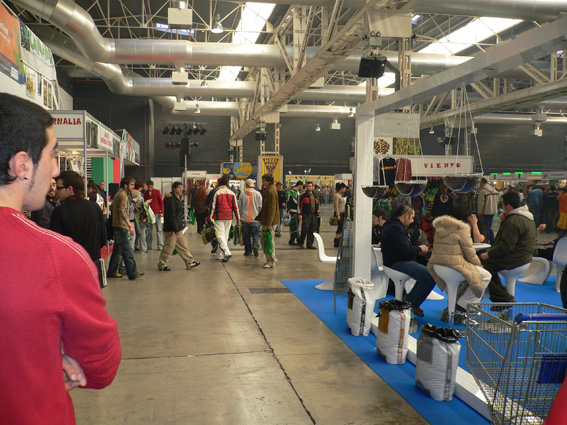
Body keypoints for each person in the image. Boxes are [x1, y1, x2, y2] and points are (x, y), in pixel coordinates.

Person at [0, 92, 121, 423]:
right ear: (22, 165)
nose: (56, 170)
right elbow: (100, 367)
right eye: (52, 155)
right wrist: (53, 358)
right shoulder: (55, 256)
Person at [427, 214, 492, 324]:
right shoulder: (462, 229)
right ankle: (462, 306)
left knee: (455, 283)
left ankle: (452, 309)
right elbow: (470, 253)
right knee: (485, 275)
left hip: (437, 266)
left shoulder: (439, 228)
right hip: (453, 267)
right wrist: (478, 265)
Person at [50, 170, 107, 284]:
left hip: (70, 269)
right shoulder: (95, 208)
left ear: (70, 189)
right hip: (92, 266)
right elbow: (103, 238)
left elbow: (55, 245)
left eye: (59, 188)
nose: (56, 191)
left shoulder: (60, 212)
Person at [479, 192, 536, 303]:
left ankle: (504, 299)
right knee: (489, 269)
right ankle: (504, 296)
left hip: (514, 259)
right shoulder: (527, 217)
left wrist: (488, 254)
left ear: (508, 206)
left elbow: (505, 247)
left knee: (479, 270)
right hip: (524, 257)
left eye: (503, 205)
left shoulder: (512, 221)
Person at [380, 204, 436, 317]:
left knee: (427, 273)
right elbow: (405, 251)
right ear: (406, 215)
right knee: (431, 275)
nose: (412, 221)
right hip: (397, 263)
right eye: (412, 217)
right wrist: (420, 249)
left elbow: (404, 248)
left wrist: (416, 250)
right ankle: (409, 303)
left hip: (394, 261)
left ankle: (411, 302)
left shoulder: (392, 226)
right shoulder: (396, 228)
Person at [106, 177, 144, 280]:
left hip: (118, 225)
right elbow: (122, 211)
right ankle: (132, 273)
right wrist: (130, 225)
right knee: (127, 251)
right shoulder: (123, 195)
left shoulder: (119, 194)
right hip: (121, 226)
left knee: (117, 251)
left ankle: (112, 271)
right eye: (131, 185)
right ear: (125, 185)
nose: (133, 187)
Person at [158, 182, 200, 271]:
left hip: (177, 228)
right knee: (168, 247)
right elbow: (171, 216)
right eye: (179, 188)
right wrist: (176, 229)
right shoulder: (171, 200)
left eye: (181, 188)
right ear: (174, 189)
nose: (181, 190)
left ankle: (189, 262)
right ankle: (162, 264)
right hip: (171, 229)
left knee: (182, 246)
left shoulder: (177, 198)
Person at [210, 176, 240, 262]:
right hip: (229, 217)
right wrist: (238, 218)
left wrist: (210, 217)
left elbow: (213, 206)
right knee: (225, 236)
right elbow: (235, 207)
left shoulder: (217, 192)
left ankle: (227, 252)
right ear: (227, 183)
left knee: (220, 235)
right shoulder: (232, 193)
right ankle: (220, 255)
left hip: (219, 216)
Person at [256, 173, 279, 268]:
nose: (262, 182)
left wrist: (269, 224)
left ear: (269, 181)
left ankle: (271, 261)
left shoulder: (271, 192)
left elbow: (271, 209)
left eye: (264, 180)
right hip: (266, 221)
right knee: (264, 240)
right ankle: (269, 260)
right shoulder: (268, 191)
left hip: (270, 222)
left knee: (268, 241)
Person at [238, 178, 262, 257]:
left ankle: (248, 251)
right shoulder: (258, 194)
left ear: (246, 185)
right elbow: (260, 206)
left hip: (245, 218)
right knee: (256, 233)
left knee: (246, 235)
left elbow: (239, 206)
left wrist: (240, 216)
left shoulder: (242, 194)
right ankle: (255, 245)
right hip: (256, 218)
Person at [298, 181, 320, 249]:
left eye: (310, 186)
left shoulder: (314, 195)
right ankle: (301, 242)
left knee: (312, 229)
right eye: (307, 186)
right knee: (305, 229)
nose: (308, 187)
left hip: (313, 215)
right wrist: (300, 214)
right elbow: (299, 205)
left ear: (312, 187)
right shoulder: (303, 196)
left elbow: (317, 204)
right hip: (306, 214)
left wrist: (317, 213)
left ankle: (309, 244)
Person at [144, 180, 164, 250]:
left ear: (153, 186)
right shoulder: (145, 193)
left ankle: (160, 245)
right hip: (149, 213)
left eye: (151, 187)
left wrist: (162, 212)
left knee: (159, 229)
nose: (150, 188)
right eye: (149, 187)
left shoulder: (157, 192)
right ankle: (149, 245)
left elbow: (161, 202)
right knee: (149, 230)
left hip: (157, 213)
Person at [286, 180, 303, 245]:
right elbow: (288, 202)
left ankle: (292, 240)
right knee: (295, 226)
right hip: (292, 212)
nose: (302, 188)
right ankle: (299, 241)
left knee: (294, 226)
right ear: (299, 185)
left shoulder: (298, 192)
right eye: (302, 186)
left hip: (297, 212)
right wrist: (288, 211)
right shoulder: (290, 192)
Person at [333, 182, 347, 247]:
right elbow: (336, 206)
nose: (345, 190)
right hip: (339, 214)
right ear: (342, 188)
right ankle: (337, 241)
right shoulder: (337, 196)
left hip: (342, 213)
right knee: (339, 228)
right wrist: (338, 215)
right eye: (344, 188)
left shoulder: (340, 195)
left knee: (341, 227)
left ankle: (340, 240)